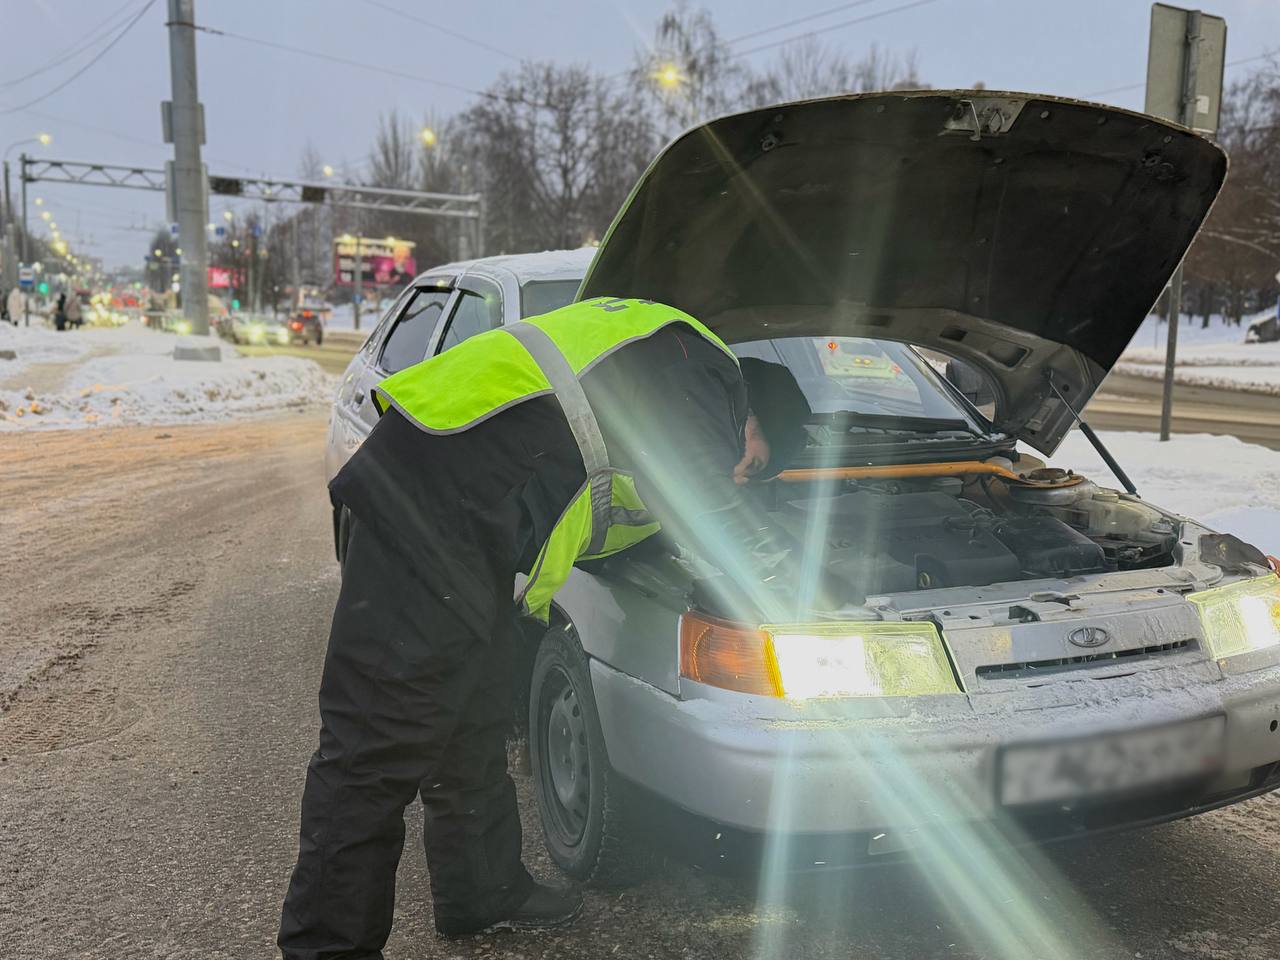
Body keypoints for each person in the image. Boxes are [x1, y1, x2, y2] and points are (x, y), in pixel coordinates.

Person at [278, 296, 816, 959]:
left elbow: (624, 507)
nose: (744, 474)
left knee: (474, 713)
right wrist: (795, 589)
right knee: (374, 746)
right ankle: (326, 948)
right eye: (756, 460)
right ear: (749, 414)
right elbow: (707, 505)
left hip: (467, 511)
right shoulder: (697, 366)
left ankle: (481, 892)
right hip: (426, 501)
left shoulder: (668, 372)